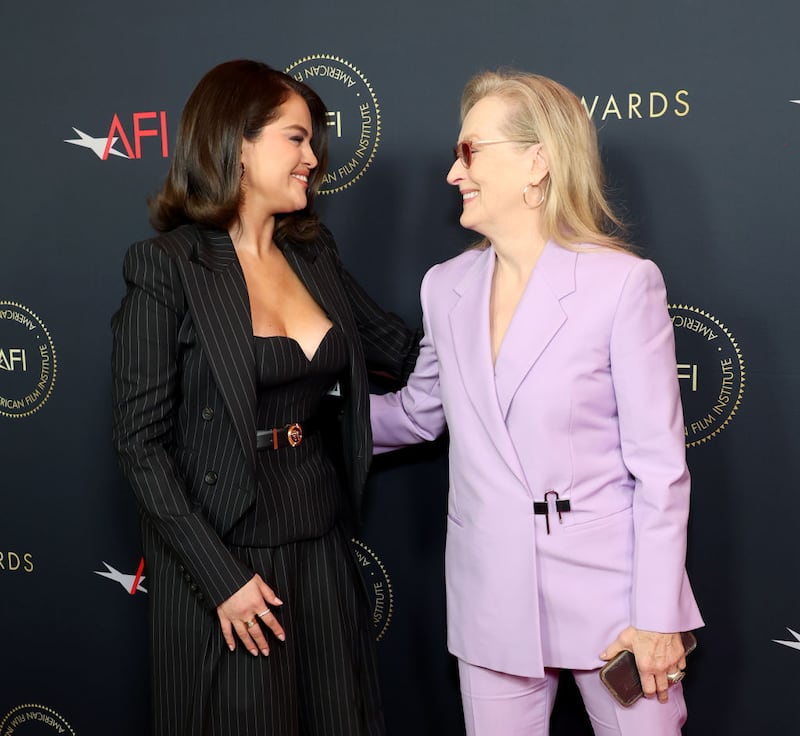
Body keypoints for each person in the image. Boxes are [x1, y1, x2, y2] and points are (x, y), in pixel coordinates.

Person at [369, 70, 704, 735]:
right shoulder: (446, 287)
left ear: (537, 162)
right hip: (491, 591)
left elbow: (659, 467)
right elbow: (419, 412)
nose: (451, 173)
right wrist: (300, 417)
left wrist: (659, 616)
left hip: (616, 599)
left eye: (469, 151)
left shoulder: (621, 285)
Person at [111, 59, 419, 736]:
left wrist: (510, 294)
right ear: (236, 144)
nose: (313, 158)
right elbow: (141, 445)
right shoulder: (168, 267)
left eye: (314, 142)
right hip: (223, 556)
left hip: (322, 542)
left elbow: (400, 352)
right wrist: (220, 578)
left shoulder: (313, 252)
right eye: (296, 138)